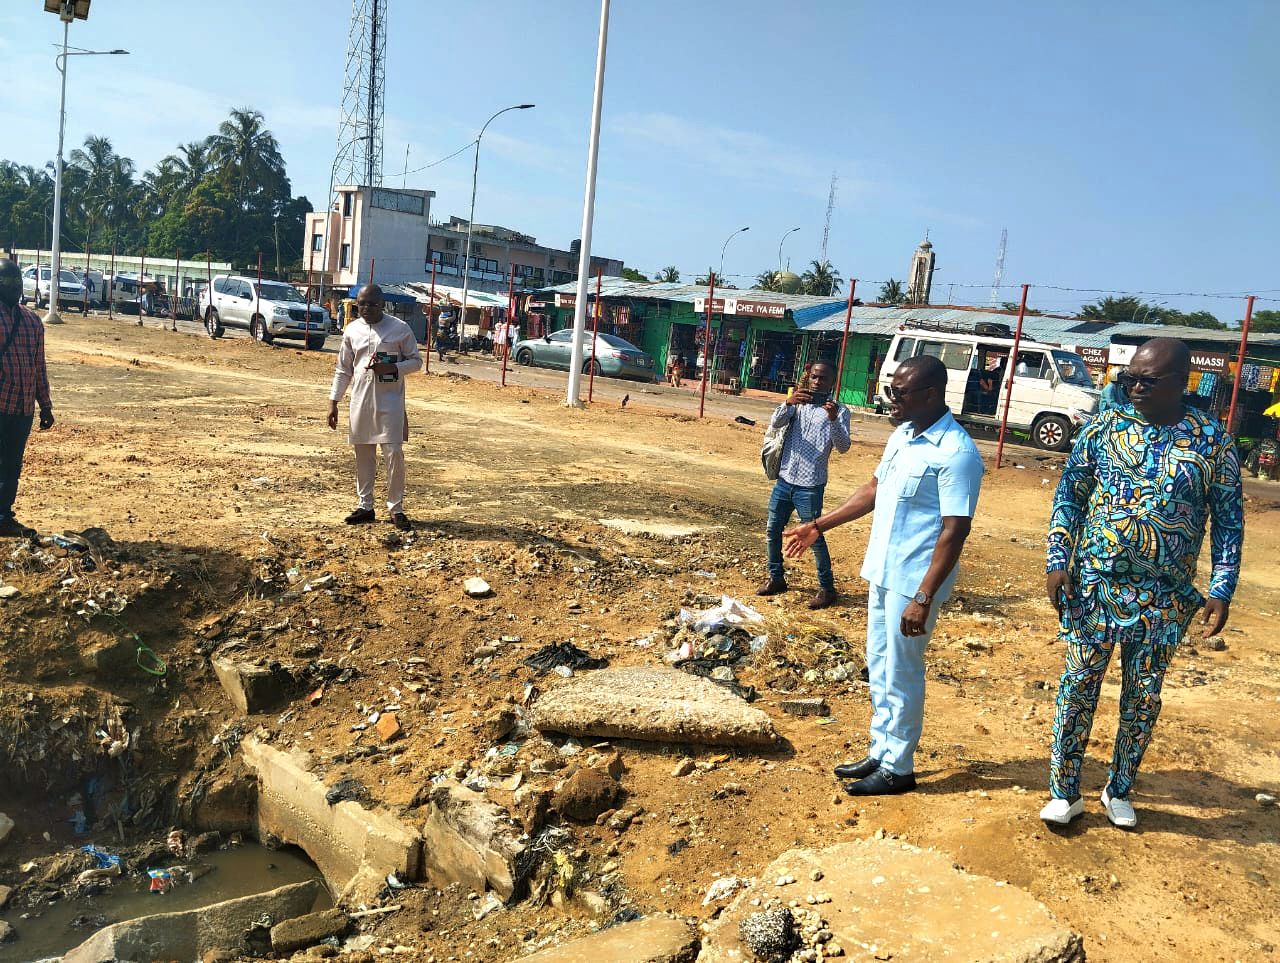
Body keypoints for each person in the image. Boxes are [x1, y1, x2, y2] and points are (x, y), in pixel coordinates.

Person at [1040, 338, 1242, 828]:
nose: (1134, 387)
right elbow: (1070, 494)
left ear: (1181, 382)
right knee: (1078, 686)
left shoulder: (1212, 442)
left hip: (1165, 596)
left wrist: (1222, 587)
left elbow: (1228, 520)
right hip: (1095, 586)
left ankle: (1120, 789)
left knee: (1144, 696)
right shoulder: (1104, 429)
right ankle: (1064, 792)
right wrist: (1057, 558)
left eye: (1147, 381)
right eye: (1129, 378)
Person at [785, 355, 984, 795]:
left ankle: (899, 768)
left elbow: (955, 530)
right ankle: (881, 749)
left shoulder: (957, 453)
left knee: (902, 671)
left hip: (914, 582)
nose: (890, 398)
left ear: (930, 394)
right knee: (878, 663)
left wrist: (924, 597)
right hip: (883, 570)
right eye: (890, 390)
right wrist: (818, 525)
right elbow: (873, 490)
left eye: (899, 392)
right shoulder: (903, 434)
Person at [327, 284, 422, 532]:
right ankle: (365, 506)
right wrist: (333, 402)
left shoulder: (399, 329)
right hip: (360, 401)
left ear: (382, 305)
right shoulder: (352, 330)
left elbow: (416, 361)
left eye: (372, 304)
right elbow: (343, 369)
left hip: (390, 402)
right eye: (362, 304)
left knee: (393, 453)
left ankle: (396, 508)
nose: (366, 308)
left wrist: (393, 368)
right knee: (363, 454)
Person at [758, 361, 852, 610]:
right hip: (785, 479)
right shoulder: (797, 404)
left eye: (823, 378)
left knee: (814, 536)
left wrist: (833, 419)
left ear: (833, 382)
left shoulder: (840, 411)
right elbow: (775, 423)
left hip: (810, 485)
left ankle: (827, 588)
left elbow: (843, 447)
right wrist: (788, 403)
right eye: (814, 377)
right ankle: (776, 578)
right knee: (773, 530)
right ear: (808, 378)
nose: (817, 382)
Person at [0, 260, 55, 539]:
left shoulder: (33, 321)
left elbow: (38, 366)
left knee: (12, 465)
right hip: (1, 404)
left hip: (22, 409)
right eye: (8, 282)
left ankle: (4, 516)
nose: (15, 287)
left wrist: (45, 405)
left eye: (18, 282)